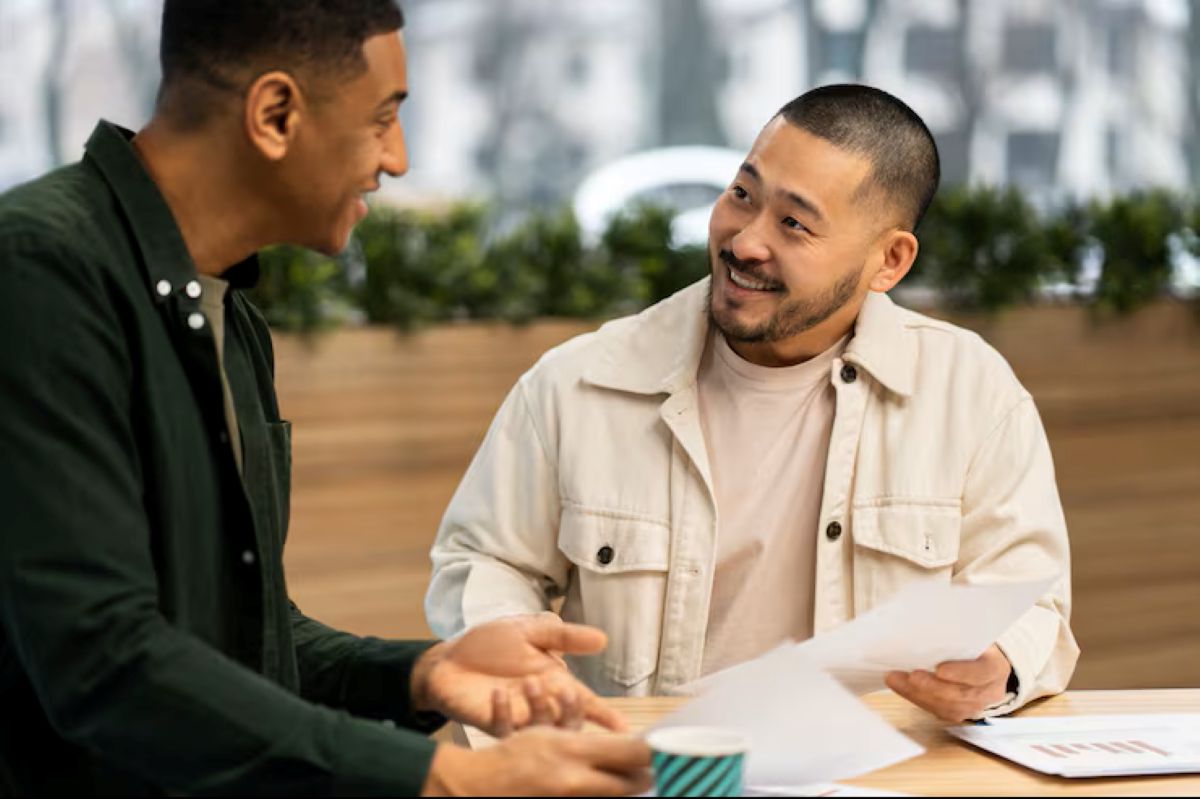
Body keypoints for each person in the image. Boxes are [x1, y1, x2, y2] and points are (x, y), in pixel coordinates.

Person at [0, 1, 652, 795]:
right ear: (275, 114)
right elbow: (102, 660)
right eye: (383, 119)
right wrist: (451, 777)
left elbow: (244, 644)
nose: (399, 159)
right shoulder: (39, 271)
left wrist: (421, 673)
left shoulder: (228, 313)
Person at [426, 84, 1080, 723]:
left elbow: (1033, 607)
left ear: (889, 260)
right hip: (650, 770)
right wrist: (506, 631)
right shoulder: (576, 384)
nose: (744, 240)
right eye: (742, 194)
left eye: (794, 223)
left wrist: (997, 663)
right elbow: (483, 559)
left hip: (874, 777)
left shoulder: (972, 393)